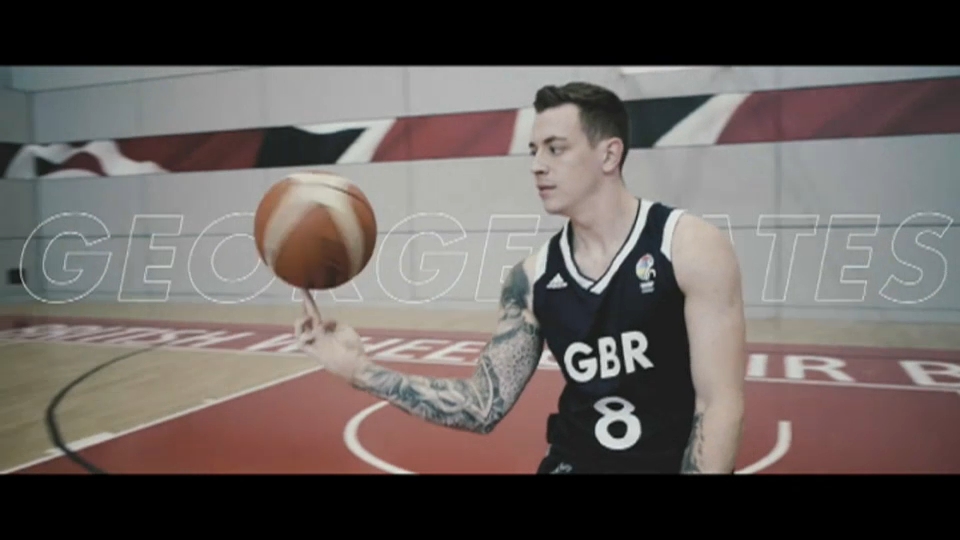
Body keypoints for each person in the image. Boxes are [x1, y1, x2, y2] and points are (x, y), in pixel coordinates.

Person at [294, 81, 747, 474]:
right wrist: (359, 370)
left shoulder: (687, 246)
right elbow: (482, 405)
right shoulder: (531, 279)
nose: (537, 164)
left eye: (555, 148)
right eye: (534, 150)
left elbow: (719, 406)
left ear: (609, 154)